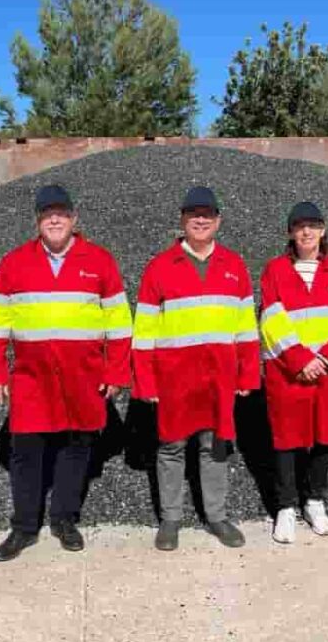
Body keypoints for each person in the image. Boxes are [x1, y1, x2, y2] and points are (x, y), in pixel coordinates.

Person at [0, 185, 132, 561]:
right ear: (37, 220)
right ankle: (24, 528)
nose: (55, 219)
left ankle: (64, 519)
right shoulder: (14, 263)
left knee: (75, 449)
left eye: (61, 212)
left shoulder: (99, 260)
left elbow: (120, 322)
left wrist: (116, 371)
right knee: (26, 451)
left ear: (74, 218)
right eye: (48, 213)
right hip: (32, 378)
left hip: (84, 376)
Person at [131, 186, 260, 551]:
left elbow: (246, 327)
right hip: (175, 377)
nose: (200, 220)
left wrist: (248, 373)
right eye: (193, 215)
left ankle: (216, 516)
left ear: (218, 220)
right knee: (171, 447)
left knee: (215, 445)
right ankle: (171, 519)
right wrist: (146, 380)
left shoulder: (234, 266)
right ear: (182, 220)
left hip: (219, 377)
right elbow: (144, 331)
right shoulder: (159, 267)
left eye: (207, 215)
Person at [259, 202, 328, 544]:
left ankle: (315, 501)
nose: (306, 232)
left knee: (322, 437)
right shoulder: (274, 271)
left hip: (327, 373)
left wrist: (325, 359)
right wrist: (301, 360)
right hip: (288, 372)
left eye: (313, 225)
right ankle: (285, 507)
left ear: (323, 230)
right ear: (290, 232)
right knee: (286, 440)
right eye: (299, 226)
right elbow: (271, 319)